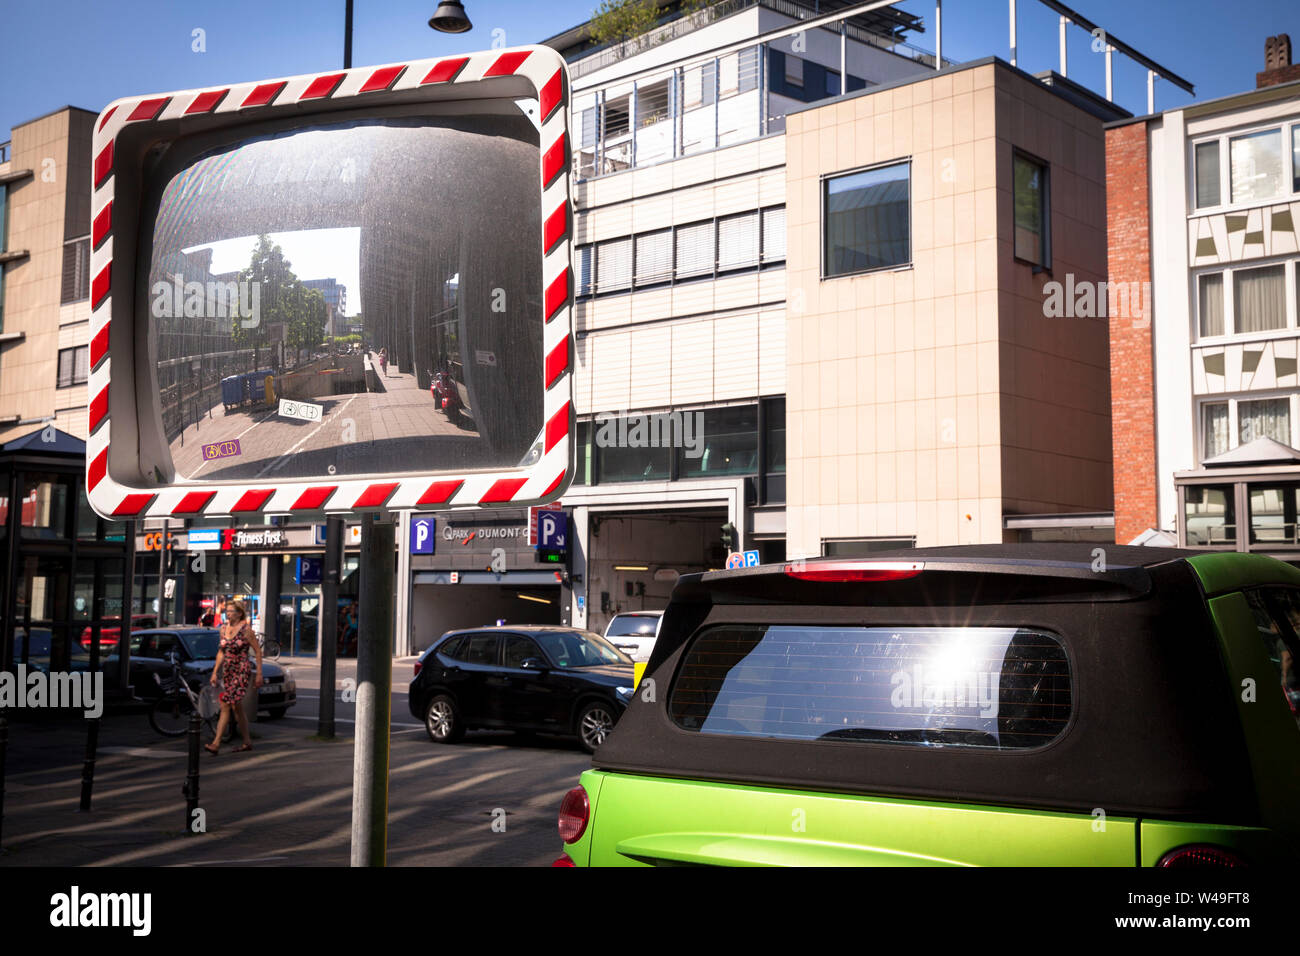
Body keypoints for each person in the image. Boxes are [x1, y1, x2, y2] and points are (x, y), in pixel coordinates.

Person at [206, 599, 262, 754]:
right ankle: (247, 742)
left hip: (241, 670)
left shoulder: (246, 630)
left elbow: (257, 651)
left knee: (226, 703)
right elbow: (221, 652)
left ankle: (216, 743)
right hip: (228, 671)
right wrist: (215, 672)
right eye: (227, 611)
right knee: (236, 707)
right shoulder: (223, 629)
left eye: (231, 611)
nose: (228, 614)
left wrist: (259, 674)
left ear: (239, 613)